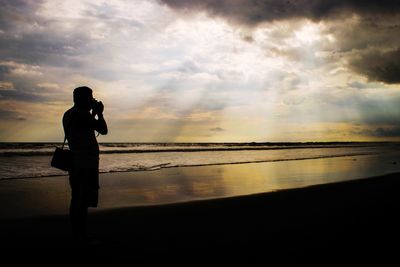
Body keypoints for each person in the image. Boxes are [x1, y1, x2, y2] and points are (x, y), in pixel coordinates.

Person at [63, 86, 108, 241]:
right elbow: (103, 130)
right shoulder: (82, 115)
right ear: (83, 99)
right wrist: (100, 113)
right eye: (90, 97)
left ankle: (77, 232)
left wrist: (93, 113)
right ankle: (80, 235)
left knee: (77, 198)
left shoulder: (69, 114)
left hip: (76, 162)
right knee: (82, 201)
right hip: (85, 163)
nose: (93, 100)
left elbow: (83, 132)